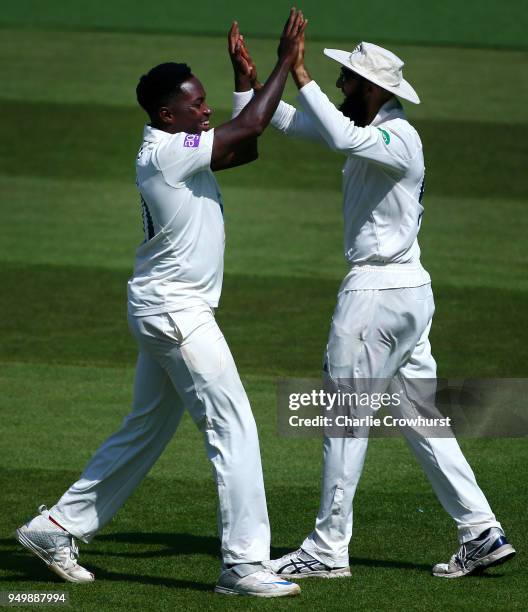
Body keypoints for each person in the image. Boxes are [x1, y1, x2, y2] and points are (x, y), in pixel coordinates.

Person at [15, 10, 308, 598]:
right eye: (196, 105)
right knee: (235, 427)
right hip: (177, 312)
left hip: (165, 307)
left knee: (147, 427)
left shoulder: (182, 144)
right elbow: (248, 129)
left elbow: (243, 149)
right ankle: (243, 565)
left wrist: (243, 80)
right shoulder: (166, 154)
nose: (206, 112)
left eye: (206, 102)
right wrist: (283, 63)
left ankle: (56, 528)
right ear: (166, 115)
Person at [232, 33, 516, 579]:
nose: (338, 83)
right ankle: (480, 530)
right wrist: (249, 83)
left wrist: (299, 71)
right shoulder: (370, 131)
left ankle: (327, 549)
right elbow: (286, 122)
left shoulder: (397, 137)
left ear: (368, 87)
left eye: (346, 78)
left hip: (377, 298)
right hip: (404, 296)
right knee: (423, 418)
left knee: (342, 419)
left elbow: (334, 134)